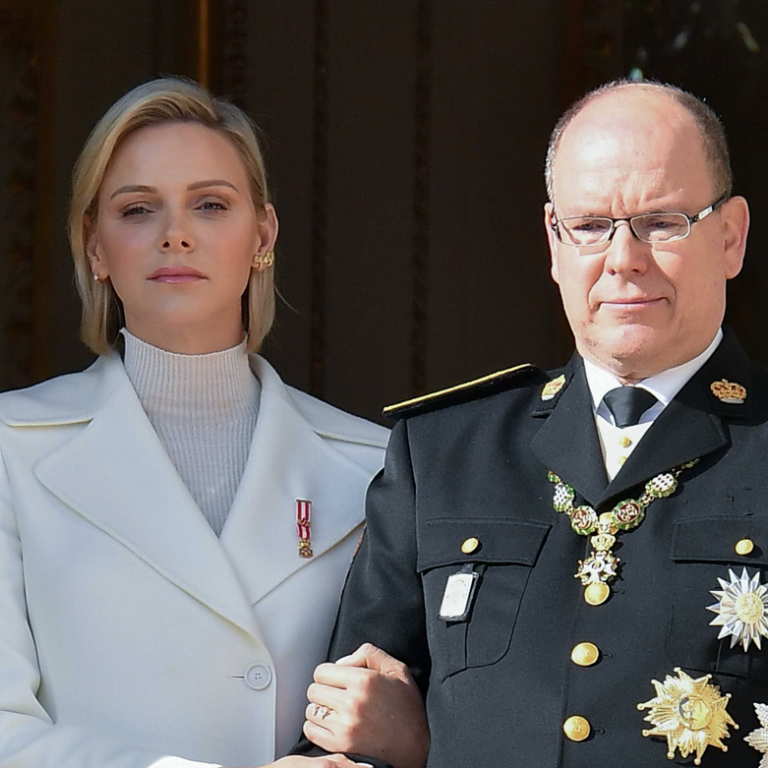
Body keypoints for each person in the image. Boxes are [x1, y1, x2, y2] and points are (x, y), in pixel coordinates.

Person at [299, 80, 768, 767]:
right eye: (591, 226)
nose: (624, 258)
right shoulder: (444, 454)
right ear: (554, 240)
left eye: (661, 222)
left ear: (730, 237)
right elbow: (346, 733)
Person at [0, 77, 399, 768]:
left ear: (262, 235)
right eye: (137, 209)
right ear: (94, 246)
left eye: (210, 204)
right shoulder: (10, 449)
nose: (175, 234)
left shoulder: (376, 465)